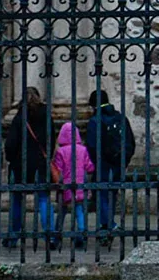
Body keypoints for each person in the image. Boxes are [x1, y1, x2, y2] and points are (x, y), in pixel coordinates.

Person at [84, 90, 137, 246]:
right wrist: (123, 160)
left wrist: (97, 162)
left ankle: (107, 226)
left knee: (101, 194)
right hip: (118, 164)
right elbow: (130, 142)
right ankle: (107, 225)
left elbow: (92, 146)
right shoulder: (121, 118)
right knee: (112, 194)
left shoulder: (95, 121)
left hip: (103, 164)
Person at [3, 87, 53, 247]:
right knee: (44, 200)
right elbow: (51, 139)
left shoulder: (19, 117)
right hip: (40, 163)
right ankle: (50, 235)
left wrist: (11, 158)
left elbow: (10, 143)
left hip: (20, 164)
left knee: (17, 200)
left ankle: (14, 235)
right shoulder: (46, 115)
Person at [51, 121, 94, 250]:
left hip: (65, 186)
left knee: (62, 211)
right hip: (80, 185)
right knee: (80, 210)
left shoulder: (61, 151)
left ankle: (57, 234)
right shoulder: (83, 150)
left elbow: (58, 168)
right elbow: (90, 167)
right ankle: (81, 234)